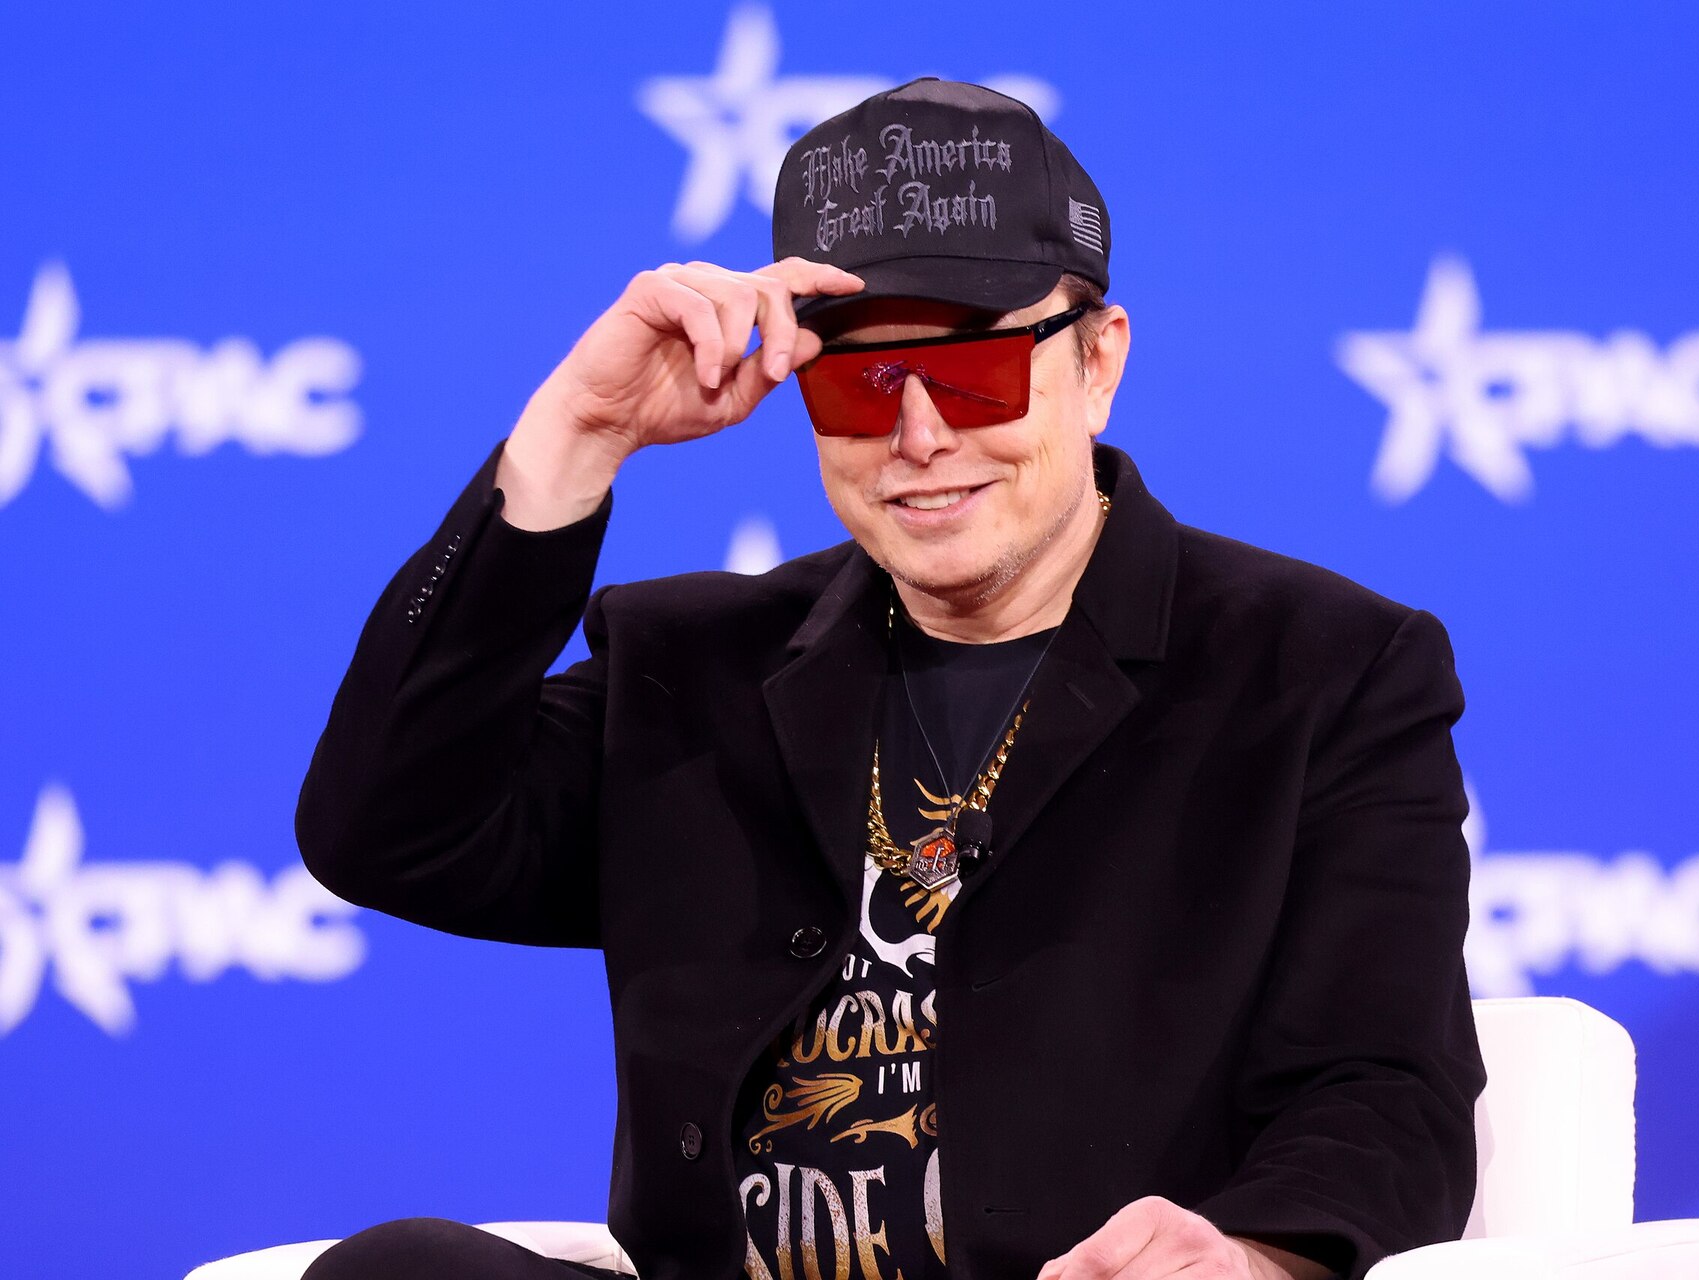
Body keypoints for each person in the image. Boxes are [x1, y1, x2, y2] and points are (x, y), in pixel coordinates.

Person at [296, 78, 1484, 1280]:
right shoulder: (689, 669)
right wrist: (575, 437)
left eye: (975, 373)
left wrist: (1251, 1257)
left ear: (1099, 362)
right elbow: (387, 829)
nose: (919, 437)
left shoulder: (1322, 670)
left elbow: (1385, 1089)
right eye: (858, 383)